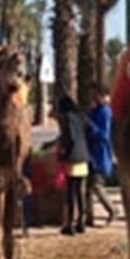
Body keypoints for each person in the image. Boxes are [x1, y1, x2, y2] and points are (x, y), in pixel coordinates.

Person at [56, 94, 89, 235]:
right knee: (80, 192)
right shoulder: (81, 116)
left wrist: (64, 151)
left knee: (70, 193)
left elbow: (69, 137)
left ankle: (69, 224)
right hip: (83, 156)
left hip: (72, 157)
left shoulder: (66, 118)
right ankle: (82, 221)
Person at [85, 83, 116, 226]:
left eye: (96, 95)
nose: (94, 98)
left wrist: (90, 127)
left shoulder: (105, 112)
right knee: (88, 189)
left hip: (100, 155)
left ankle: (112, 209)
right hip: (91, 155)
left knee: (97, 186)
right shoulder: (94, 111)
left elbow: (104, 135)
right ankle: (89, 217)